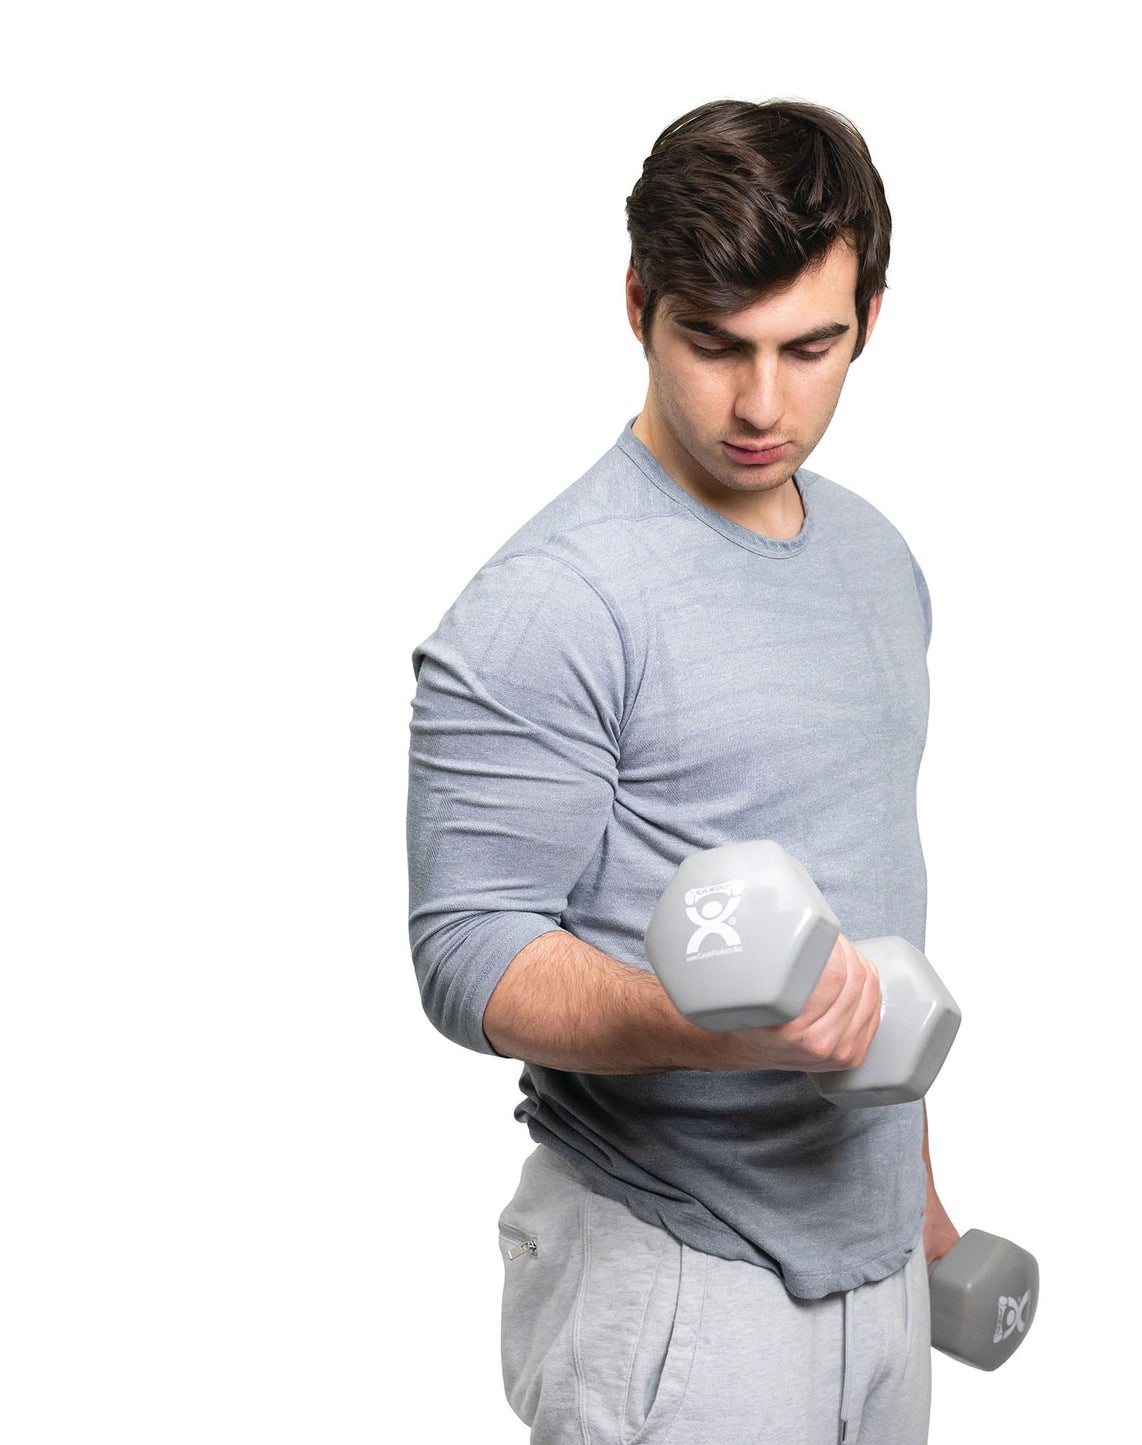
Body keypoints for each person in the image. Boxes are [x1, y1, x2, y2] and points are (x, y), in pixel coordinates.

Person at [407, 98, 958, 1444]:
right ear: (641, 304)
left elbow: (869, 898)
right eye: (714, 345)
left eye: (808, 347)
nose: (762, 402)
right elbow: (465, 953)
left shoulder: (875, 561)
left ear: (870, 316)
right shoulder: (551, 600)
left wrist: (926, 1210)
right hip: (672, 1268)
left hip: (880, 1269)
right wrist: (706, 1021)